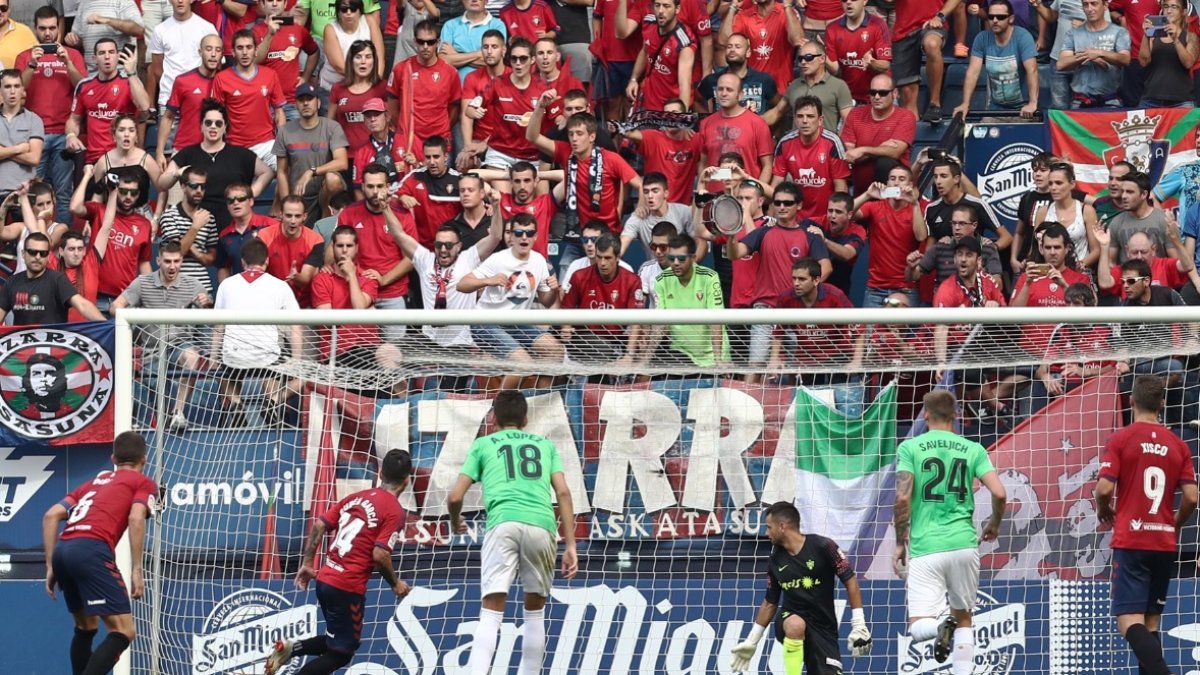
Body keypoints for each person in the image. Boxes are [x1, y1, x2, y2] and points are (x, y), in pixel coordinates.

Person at [446, 390, 578, 675]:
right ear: (526, 419)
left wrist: (455, 522)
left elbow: (455, 497)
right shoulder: (545, 446)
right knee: (534, 613)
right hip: (542, 525)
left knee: (491, 612)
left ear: (493, 418)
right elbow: (564, 493)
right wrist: (570, 545)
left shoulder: (483, 444)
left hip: (503, 523)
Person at [264, 449, 414, 675]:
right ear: (407, 480)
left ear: (380, 473)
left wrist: (307, 563)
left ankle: (290, 649)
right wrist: (396, 584)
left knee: (336, 640)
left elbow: (319, 525)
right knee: (342, 653)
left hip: (325, 579)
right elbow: (380, 555)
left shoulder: (357, 497)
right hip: (347, 587)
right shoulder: (395, 511)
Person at [893, 389, 1007, 675]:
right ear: (956, 414)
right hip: (964, 544)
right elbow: (1000, 493)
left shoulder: (910, 448)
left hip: (926, 546)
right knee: (964, 619)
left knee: (918, 625)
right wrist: (994, 524)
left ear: (925, 414)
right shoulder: (973, 449)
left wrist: (899, 543)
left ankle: (939, 626)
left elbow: (903, 498)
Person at [1095, 374, 1198, 675]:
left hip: (1132, 540)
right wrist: (1176, 524)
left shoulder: (1121, 438)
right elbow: (1192, 497)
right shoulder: (1178, 444)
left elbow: (1103, 488)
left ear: (1131, 400)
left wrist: (1103, 508)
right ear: (1162, 404)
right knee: (1151, 623)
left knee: (1129, 621)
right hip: (1164, 543)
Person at [43, 431, 156, 675]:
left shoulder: (92, 484)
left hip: (63, 550)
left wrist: (51, 565)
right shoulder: (142, 482)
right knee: (124, 631)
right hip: (91, 551)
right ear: (144, 460)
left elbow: (51, 515)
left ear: (113, 459)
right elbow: (136, 518)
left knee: (86, 627)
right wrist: (137, 570)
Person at [728, 501, 871, 675]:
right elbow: (770, 603)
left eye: (769, 527)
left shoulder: (824, 546)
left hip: (823, 628)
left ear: (782, 526)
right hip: (789, 618)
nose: (766, 533)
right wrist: (752, 640)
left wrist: (859, 624)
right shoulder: (775, 561)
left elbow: (850, 581)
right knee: (795, 624)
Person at [111, 241, 209, 430]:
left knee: (192, 356)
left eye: (176, 261)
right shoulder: (142, 282)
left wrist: (205, 302)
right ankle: (158, 418)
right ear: (158, 261)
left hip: (180, 346)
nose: (172, 266)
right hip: (152, 352)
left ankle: (178, 413)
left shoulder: (193, 285)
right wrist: (133, 314)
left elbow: (209, 308)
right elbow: (115, 307)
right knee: (156, 402)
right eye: (167, 261)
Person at [458, 213, 563, 388]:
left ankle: (541, 400)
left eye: (529, 233)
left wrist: (553, 290)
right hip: (485, 323)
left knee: (556, 352)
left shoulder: (539, 261)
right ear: (511, 237)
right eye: (519, 233)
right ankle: (499, 405)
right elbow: (462, 285)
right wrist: (488, 280)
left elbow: (546, 301)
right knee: (524, 364)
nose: (524, 237)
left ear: (536, 237)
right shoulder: (498, 259)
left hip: (516, 323)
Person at [385, 201, 503, 349]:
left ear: (459, 246)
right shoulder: (425, 259)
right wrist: (385, 207)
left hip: (461, 343)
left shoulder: (469, 258)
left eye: (448, 245)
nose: (443, 250)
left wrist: (497, 207)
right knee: (386, 351)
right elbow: (398, 234)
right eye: (438, 245)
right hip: (428, 340)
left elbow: (495, 237)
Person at [212, 237, 302, 426]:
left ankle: (235, 403)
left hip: (234, 359)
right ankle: (272, 401)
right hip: (266, 359)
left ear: (243, 262)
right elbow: (296, 327)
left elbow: (219, 328)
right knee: (302, 375)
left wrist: (214, 359)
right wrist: (297, 362)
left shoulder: (226, 284)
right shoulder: (280, 285)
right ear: (266, 261)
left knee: (222, 369)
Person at [160, 99, 275, 231]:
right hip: (198, 225)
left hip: (234, 225)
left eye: (218, 123)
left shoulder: (241, 154)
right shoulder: (188, 153)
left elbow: (267, 172)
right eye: (208, 123)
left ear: (225, 127)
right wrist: (176, 174)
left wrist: (248, 195)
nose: (213, 126)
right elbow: (162, 183)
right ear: (201, 126)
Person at [15, 6, 85, 223]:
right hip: (33, 135)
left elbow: (83, 88)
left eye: (52, 28)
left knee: (63, 193)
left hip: (64, 133)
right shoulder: (24, 56)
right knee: (32, 193)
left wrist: (68, 63)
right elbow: (17, 90)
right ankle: (33, 237)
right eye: (43, 28)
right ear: (34, 28)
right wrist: (31, 65)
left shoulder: (72, 55)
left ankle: (62, 237)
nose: (47, 33)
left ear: (59, 28)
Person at [527, 103, 641, 234]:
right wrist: (540, 107)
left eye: (579, 134)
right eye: (571, 134)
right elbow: (532, 137)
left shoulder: (611, 158)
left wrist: (639, 210)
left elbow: (640, 185)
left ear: (592, 137)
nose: (574, 139)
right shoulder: (565, 151)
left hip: (607, 234)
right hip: (577, 233)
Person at [336, 163, 416, 340]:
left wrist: (383, 279)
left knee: (393, 351)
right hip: (359, 292)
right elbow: (336, 249)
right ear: (363, 187)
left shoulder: (402, 214)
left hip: (393, 294)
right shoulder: (348, 214)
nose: (375, 191)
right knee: (361, 351)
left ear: (388, 187)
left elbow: (410, 258)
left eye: (380, 186)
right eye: (370, 186)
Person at [70, 165, 152, 310]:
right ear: (116, 190)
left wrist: (153, 296)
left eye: (133, 192)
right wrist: (87, 176)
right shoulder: (99, 210)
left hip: (124, 300)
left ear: (139, 194)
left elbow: (144, 263)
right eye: (123, 191)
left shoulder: (144, 224)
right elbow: (75, 208)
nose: (128, 196)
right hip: (94, 296)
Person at [645, 234, 730, 368]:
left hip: (711, 359)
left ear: (693, 258)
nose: (676, 263)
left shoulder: (710, 277)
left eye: (681, 258)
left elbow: (716, 321)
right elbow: (661, 325)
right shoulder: (661, 280)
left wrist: (718, 360)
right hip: (680, 357)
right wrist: (645, 360)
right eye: (672, 258)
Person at [386, 19, 461, 164]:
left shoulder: (450, 72)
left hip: (439, 142)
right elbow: (392, 106)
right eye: (421, 42)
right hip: (409, 141)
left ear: (438, 43)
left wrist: (442, 126)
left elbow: (455, 109)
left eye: (430, 42)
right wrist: (405, 128)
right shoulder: (401, 69)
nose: (425, 47)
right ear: (415, 42)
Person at [66, 39, 151, 166]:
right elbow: (74, 120)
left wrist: (131, 73)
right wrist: (71, 136)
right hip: (94, 158)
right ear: (94, 59)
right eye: (102, 53)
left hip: (124, 157)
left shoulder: (129, 81)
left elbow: (144, 106)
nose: (107, 57)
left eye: (111, 52)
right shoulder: (84, 86)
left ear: (118, 56)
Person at [272, 82, 349, 218]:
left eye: (310, 99)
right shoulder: (285, 131)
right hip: (299, 194)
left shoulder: (332, 127)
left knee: (333, 179)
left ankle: (326, 221)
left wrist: (311, 172)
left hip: (325, 194)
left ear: (318, 103)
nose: (306, 103)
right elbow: (281, 172)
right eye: (301, 100)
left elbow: (342, 162)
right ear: (296, 105)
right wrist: (287, 204)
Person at [211, 29, 286, 168]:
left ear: (256, 50)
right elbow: (216, 115)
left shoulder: (270, 75)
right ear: (233, 52)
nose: (244, 52)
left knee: (284, 171)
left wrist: (281, 142)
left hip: (267, 144)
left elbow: (279, 112)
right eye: (240, 48)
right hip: (235, 146)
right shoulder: (221, 78)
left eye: (249, 47)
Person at [954, 0, 1039, 117]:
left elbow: (1032, 70)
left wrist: (1033, 103)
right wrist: (965, 103)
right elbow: (972, 73)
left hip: (1023, 110)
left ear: (1011, 19)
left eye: (1000, 17)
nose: (995, 20)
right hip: (995, 108)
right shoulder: (982, 38)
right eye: (991, 17)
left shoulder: (1023, 37)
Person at [772, 96, 849, 220]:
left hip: (825, 219)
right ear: (795, 119)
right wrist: (771, 220)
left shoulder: (833, 143)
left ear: (820, 120)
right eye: (800, 116)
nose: (805, 121)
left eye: (810, 116)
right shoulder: (784, 144)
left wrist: (833, 221)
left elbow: (841, 188)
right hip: (794, 219)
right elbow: (776, 187)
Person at [0, 232, 103, 325]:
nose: (38, 257)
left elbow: (82, 305)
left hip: (54, 340)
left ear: (48, 256)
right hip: (22, 340)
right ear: (23, 254)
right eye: (32, 252)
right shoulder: (12, 282)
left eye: (43, 253)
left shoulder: (58, 280)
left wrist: (108, 326)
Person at [841, 74, 916, 195]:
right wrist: (881, 148)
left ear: (895, 93)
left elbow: (895, 153)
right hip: (861, 192)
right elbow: (849, 156)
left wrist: (863, 150)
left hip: (894, 194)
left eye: (883, 93)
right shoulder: (855, 115)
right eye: (873, 92)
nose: (876, 97)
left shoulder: (905, 116)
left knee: (885, 162)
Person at [156, 34, 223, 169]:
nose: (213, 54)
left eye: (218, 50)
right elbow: (168, 117)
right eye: (209, 49)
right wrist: (159, 152)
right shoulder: (183, 81)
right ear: (200, 52)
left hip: (216, 152)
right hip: (184, 150)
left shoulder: (227, 81)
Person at [697, 72, 774, 185]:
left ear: (740, 94)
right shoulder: (706, 123)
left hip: (745, 191)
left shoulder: (757, 123)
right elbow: (703, 163)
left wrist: (756, 190)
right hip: (714, 193)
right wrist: (703, 187)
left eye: (729, 90)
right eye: (720, 89)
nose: (724, 93)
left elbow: (767, 165)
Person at [145, 0, 216, 117]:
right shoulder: (160, 30)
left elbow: (215, 65)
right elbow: (157, 69)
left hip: (198, 98)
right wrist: (171, 87)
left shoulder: (207, 28)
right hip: (168, 99)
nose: (180, 1)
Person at [719, 0, 803, 97]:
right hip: (754, 90)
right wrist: (733, 7)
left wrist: (788, 6)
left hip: (781, 88)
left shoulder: (785, 12)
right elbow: (724, 41)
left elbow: (797, 40)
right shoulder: (744, 15)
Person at [254, 0, 320, 121]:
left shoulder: (298, 29)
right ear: (262, 4)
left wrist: (305, 77)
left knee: (297, 134)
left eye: (279, 0)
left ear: (285, 4)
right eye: (270, 0)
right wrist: (269, 34)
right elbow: (255, 60)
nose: (274, 4)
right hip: (265, 102)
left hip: (292, 102)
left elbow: (314, 52)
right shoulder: (255, 31)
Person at [1056, 0, 1130, 108]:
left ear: (1105, 5)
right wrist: (1086, 56)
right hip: (1081, 101)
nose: (1089, 9)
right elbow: (1060, 64)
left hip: (1110, 101)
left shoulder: (1119, 32)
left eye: (1094, 4)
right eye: (1086, 5)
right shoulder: (1073, 33)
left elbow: (1125, 59)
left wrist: (1100, 53)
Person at [156, 165, 218, 295]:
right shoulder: (169, 215)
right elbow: (176, 253)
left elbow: (211, 259)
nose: (199, 190)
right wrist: (195, 226)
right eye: (194, 186)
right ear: (183, 186)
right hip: (175, 289)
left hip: (203, 289)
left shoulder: (208, 217)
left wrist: (193, 250)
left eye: (203, 186)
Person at [891, 0, 955, 122]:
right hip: (904, 27)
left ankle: (934, 104)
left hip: (934, 22)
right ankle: (913, 130)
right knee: (907, 93)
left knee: (931, 44)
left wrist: (940, 16)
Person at [626, 0, 697, 110]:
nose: (660, 11)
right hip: (647, 100)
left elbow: (685, 84)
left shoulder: (683, 43)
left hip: (668, 107)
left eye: (666, 6)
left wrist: (681, 115)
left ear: (677, 9)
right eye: (657, 5)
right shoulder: (648, 23)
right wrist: (634, 79)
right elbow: (645, 51)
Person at [258, 195, 328, 305]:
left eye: (297, 216)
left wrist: (296, 277)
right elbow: (258, 272)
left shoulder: (315, 240)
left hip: (303, 304)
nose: (293, 221)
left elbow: (305, 278)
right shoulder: (264, 236)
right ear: (281, 214)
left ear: (305, 216)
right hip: (272, 301)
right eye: (288, 216)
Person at [328, 40, 389, 164]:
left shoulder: (383, 87)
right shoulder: (338, 88)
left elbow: (391, 122)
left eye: (368, 57)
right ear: (351, 61)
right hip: (345, 157)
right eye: (358, 57)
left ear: (374, 61)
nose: (363, 61)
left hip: (376, 157)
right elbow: (330, 124)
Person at [397, 135, 463, 246]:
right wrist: (402, 196)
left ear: (446, 157)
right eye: (428, 157)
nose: (432, 162)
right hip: (423, 247)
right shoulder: (415, 176)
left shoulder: (458, 180)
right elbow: (394, 194)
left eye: (436, 157)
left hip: (451, 247)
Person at [1031, 162, 1100, 268]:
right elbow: (1035, 249)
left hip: (1079, 271)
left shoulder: (1086, 211)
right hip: (1049, 271)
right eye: (1050, 183)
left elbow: (1096, 250)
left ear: (1072, 184)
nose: (1053, 187)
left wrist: (1080, 265)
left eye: (1058, 183)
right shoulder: (1043, 212)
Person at [696, 32, 780, 118]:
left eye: (737, 47)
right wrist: (709, 120)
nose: (732, 50)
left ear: (748, 52)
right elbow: (696, 101)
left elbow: (779, 108)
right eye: (729, 46)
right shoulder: (713, 80)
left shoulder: (764, 80)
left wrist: (764, 123)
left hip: (752, 125)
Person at [824, 0, 892, 104]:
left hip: (876, 96)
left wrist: (871, 62)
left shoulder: (878, 25)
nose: (848, 2)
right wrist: (822, 56)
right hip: (847, 98)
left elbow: (885, 65)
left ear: (865, 1)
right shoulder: (832, 28)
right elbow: (835, 70)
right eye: (844, 0)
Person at [620, 172, 697, 258]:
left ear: (666, 193)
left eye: (655, 191)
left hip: (679, 264)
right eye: (646, 192)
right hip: (654, 265)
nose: (650, 196)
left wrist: (691, 263)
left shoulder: (682, 211)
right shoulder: (639, 217)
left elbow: (698, 241)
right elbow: (623, 243)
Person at [1136, 0, 1197, 108]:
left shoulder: (1190, 36)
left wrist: (1176, 39)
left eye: (1174, 7)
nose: (1169, 10)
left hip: (1181, 100)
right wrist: (1146, 35)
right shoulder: (1153, 36)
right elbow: (1143, 62)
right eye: (1166, 6)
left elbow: (1188, 63)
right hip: (1151, 98)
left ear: (1183, 12)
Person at [783, 41, 853, 133]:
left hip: (826, 141)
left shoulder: (839, 86)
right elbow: (777, 112)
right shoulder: (794, 85)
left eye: (808, 57)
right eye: (800, 58)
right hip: (796, 141)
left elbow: (849, 121)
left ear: (822, 58)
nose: (803, 62)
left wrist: (837, 139)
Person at [319, 0, 386, 92]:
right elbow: (340, 67)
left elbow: (379, 57)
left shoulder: (370, 22)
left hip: (367, 84)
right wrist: (364, 84)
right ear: (338, 12)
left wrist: (375, 82)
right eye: (344, 9)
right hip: (333, 87)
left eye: (353, 8)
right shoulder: (330, 29)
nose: (349, 12)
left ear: (360, 10)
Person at [216, 182, 276, 283]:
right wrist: (225, 288)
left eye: (241, 199)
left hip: (269, 288)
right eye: (230, 200)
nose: (235, 203)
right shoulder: (224, 235)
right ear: (227, 206)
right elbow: (223, 267)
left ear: (251, 201)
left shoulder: (271, 225)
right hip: (240, 290)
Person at [1109, 171, 1172, 265]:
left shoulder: (1163, 221)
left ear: (1144, 194)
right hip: (1127, 274)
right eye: (1122, 191)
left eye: (1129, 192)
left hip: (1158, 274)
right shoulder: (1116, 222)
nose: (1124, 196)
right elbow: (1110, 263)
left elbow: (1175, 261)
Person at [65, 0, 144, 73]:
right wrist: (72, 39)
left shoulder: (123, 1)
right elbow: (78, 39)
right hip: (92, 75)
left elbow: (138, 29)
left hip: (122, 73)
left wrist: (106, 20)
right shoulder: (84, 3)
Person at [439, 0, 508, 81]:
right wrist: (479, 54)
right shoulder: (449, 26)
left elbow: (496, 60)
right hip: (456, 85)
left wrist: (455, 54)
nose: (474, 0)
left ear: (486, 1)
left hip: (488, 85)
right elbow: (443, 61)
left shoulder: (497, 25)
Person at [0, 68, 43, 194]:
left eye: (17, 86)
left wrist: (3, 151)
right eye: (7, 86)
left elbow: (34, 158)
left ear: (23, 90)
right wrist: (19, 148)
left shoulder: (34, 120)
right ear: (0, 90)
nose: (12, 91)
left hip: (24, 192)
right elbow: (28, 155)